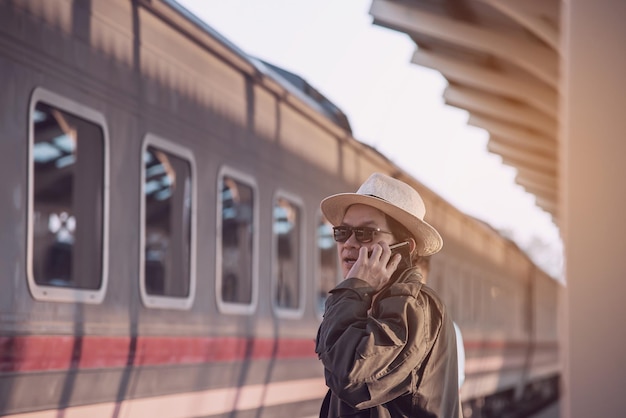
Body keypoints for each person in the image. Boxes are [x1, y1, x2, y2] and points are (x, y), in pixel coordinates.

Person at [315, 172, 462, 417]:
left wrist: (355, 287)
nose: (349, 243)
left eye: (365, 233)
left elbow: (351, 377)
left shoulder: (413, 306)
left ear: (405, 247)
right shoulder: (367, 301)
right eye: (342, 232)